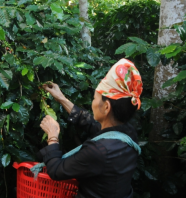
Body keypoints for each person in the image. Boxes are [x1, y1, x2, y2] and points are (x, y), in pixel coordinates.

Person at [38, 58, 143, 198]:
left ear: (106, 107)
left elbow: (56, 170)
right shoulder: (126, 134)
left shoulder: (98, 151)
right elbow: (91, 124)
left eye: (95, 98)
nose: (93, 103)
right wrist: (61, 98)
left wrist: (52, 136)